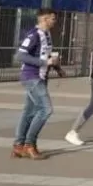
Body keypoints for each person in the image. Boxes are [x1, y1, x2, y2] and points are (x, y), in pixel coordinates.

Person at [11, 8, 59, 160]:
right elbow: (20, 55)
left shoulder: (47, 35)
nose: (55, 21)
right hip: (32, 77)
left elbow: (46, 54)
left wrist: (57, 67)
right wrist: (43, 62)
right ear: (44, 19)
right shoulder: (34, 35)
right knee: (46, 109)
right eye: (53, 18)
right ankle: (29, 144)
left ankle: (18, 146)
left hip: (41, 77)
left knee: (29, 112)